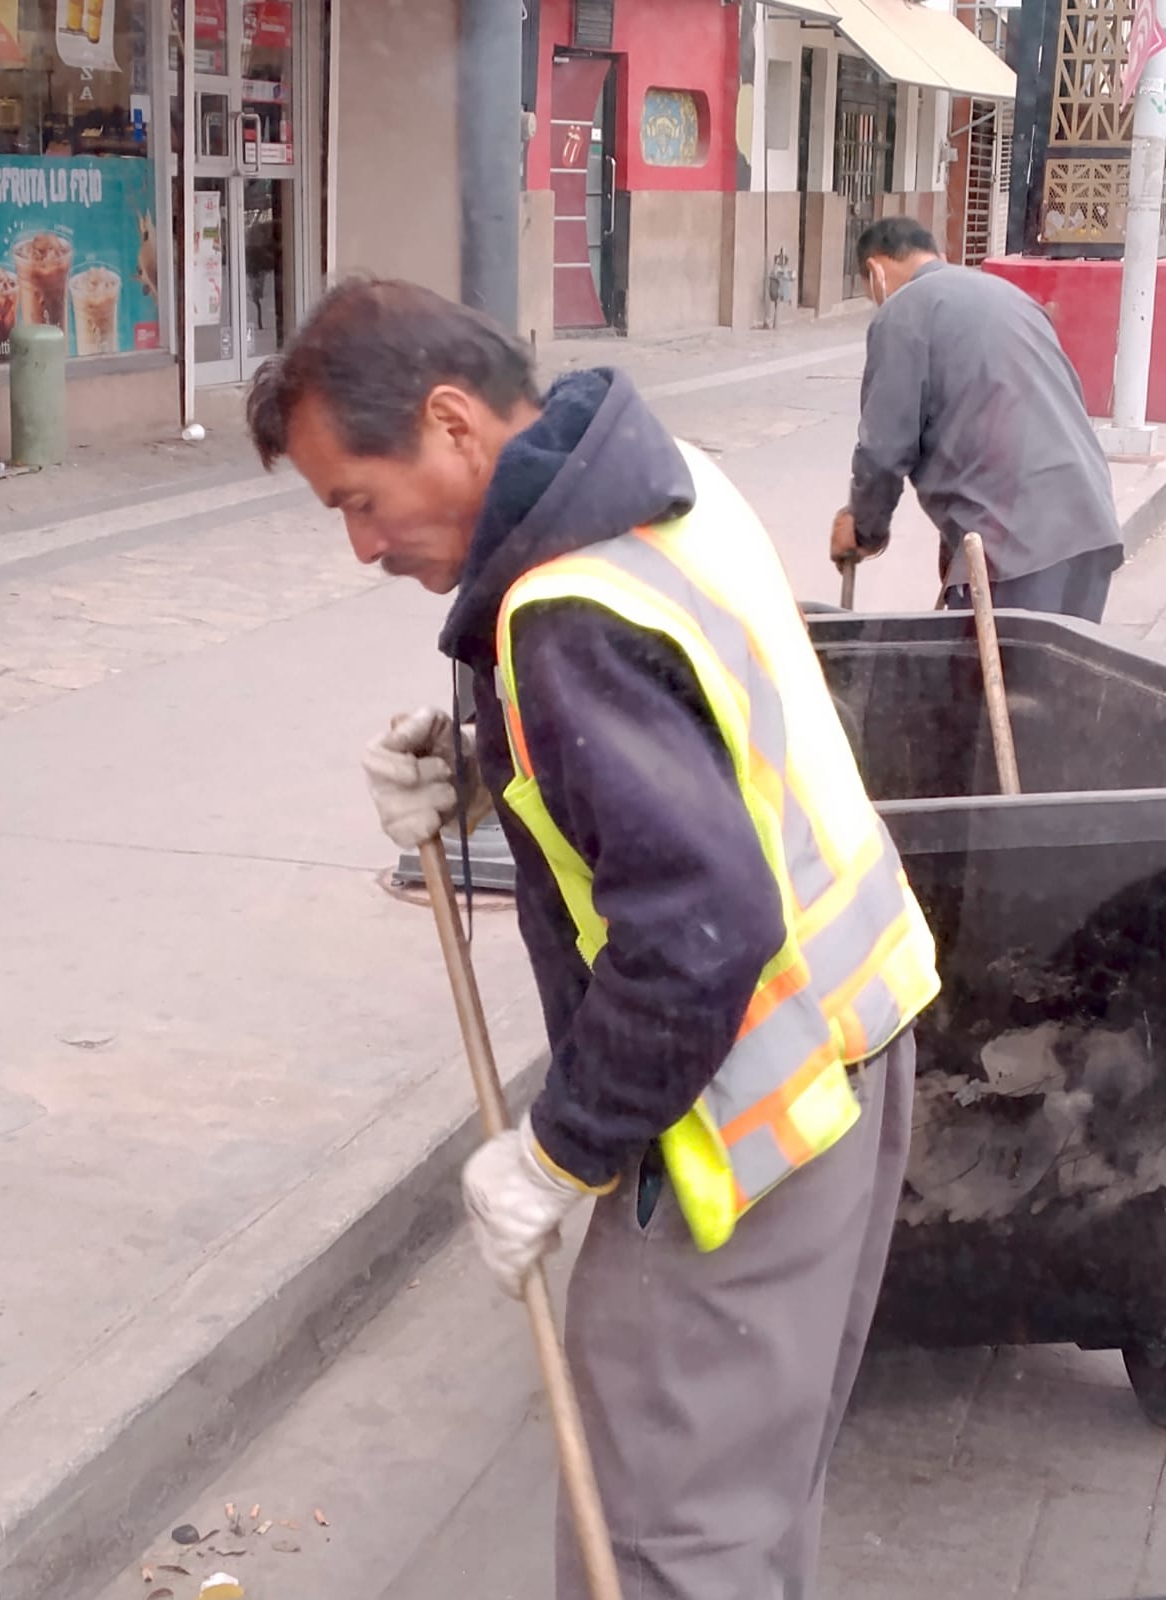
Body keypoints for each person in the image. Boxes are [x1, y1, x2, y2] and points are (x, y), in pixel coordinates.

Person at [247, 278, 940, 1600]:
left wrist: (558, 1156)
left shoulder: (566, 607)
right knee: (749, 1511)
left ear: (452, 425)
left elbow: (696, 927)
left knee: (663, 1539)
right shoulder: (661, 474)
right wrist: (488, 767)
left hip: (746, 1119)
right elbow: (696, 743)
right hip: (851, 1041)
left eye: (357, 499)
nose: (361, 545)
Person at [830, 215, 1123, 621]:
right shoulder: (1010, 297)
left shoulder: (903, 312)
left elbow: (883, 450)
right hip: (1091, 529)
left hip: (1015, 545)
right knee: (1057, 681)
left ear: (876, 270)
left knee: (997, 680)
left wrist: (863, 530)